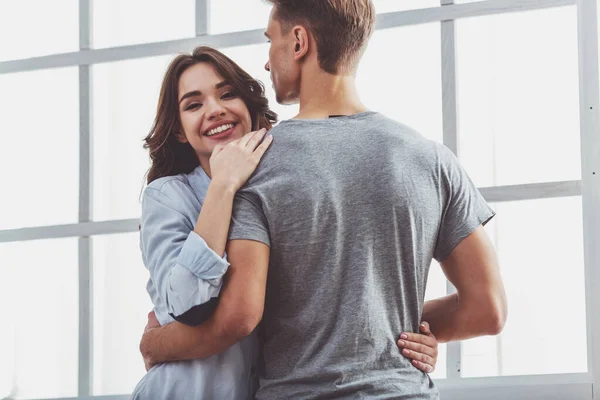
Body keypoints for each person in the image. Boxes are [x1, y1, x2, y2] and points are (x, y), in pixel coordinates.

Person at [133, 45, 440, 400]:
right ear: (181, 132)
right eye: (193, 104)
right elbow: (186, 305)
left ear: (249, 107)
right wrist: (223, 185)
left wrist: (412, 335)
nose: (214, 110)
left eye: (227, 94)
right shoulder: (168, 196)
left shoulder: (286, 184)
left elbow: (322, 299)